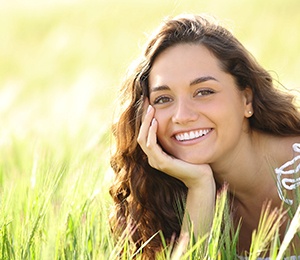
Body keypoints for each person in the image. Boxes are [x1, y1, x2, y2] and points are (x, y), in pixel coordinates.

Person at [109, 14, 300, 259]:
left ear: (247, 99)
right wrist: (199, 187)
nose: (182, 116)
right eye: (163, 99)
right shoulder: (166, 199)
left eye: (203, 92)